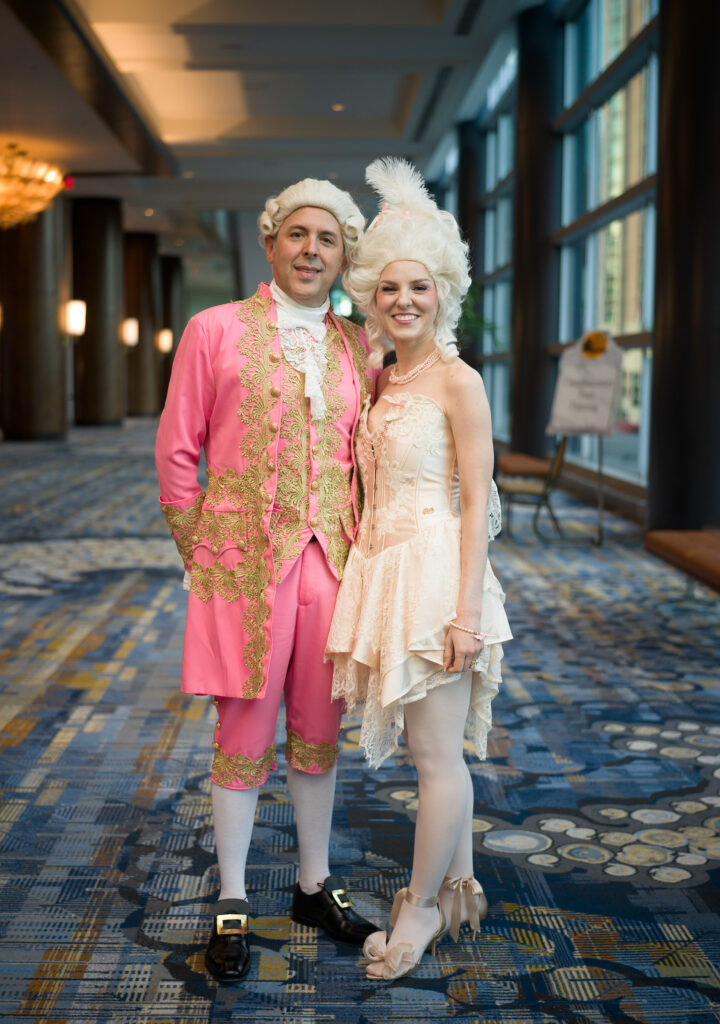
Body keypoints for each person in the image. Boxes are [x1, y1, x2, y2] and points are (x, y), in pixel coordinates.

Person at [155, 177, 378, 984]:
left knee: (319, 734)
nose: (312, 250)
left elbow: (371, 457)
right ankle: (235, 895)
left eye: (328, 239)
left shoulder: (359, 347)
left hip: (336, 564)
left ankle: (315, 885)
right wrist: (201, 549)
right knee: (242, 736)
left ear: (343, 255)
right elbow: (178, 451)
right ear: (272, 242)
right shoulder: (214, 330)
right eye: (298, 235)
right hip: (243, 567)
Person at [325, 158, 512, 981]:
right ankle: (462, 882)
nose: (404, 301)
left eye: (420, 288)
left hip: (440, 575)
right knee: (429, 754)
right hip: (386, 569)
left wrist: (465, 613)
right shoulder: (382, 377)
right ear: (372, 299)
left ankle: (422, 907)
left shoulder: (460, 383)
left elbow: (478, 504)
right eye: (389, 289)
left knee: (436, 760)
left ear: (444, 294)